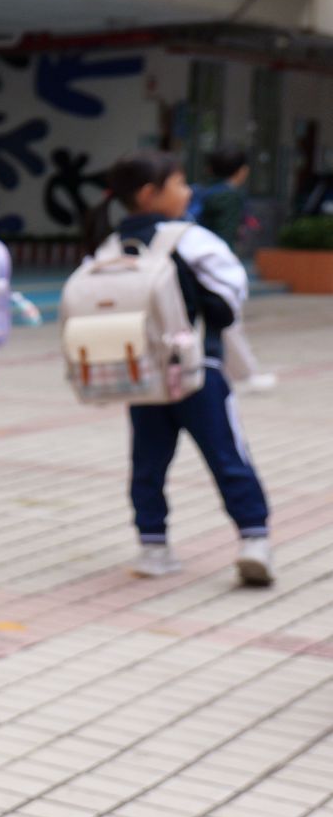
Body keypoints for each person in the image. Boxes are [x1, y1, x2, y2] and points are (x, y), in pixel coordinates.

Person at [103, 150, 272, 586]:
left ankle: (153, 546)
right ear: (149, 194)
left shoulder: (109, 246)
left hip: (144, 376)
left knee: (147, 462)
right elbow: (228, 302)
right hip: (199, 369)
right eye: (178, 183)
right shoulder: (188, 238)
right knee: (226, 453)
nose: (188, 191)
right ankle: (254, 539)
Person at [192, 148, 275, 392]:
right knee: (229, 318)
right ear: (242, 171)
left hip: (192, 261)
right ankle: (245, 374)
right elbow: (224, 237)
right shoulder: (230, 196)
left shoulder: (200, 191)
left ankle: (219, 369)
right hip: (213, 265)